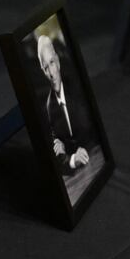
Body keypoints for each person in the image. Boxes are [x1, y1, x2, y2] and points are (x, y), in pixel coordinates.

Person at [37, 35, 90, 174]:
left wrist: (83, 148)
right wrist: (72, 160)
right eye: (46, 67)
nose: (51, 74)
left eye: (52, 63)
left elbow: (93, 126)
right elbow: (56, 156)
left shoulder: (77, 88)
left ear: (58, 61)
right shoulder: (49, 108)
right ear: (43, 71)